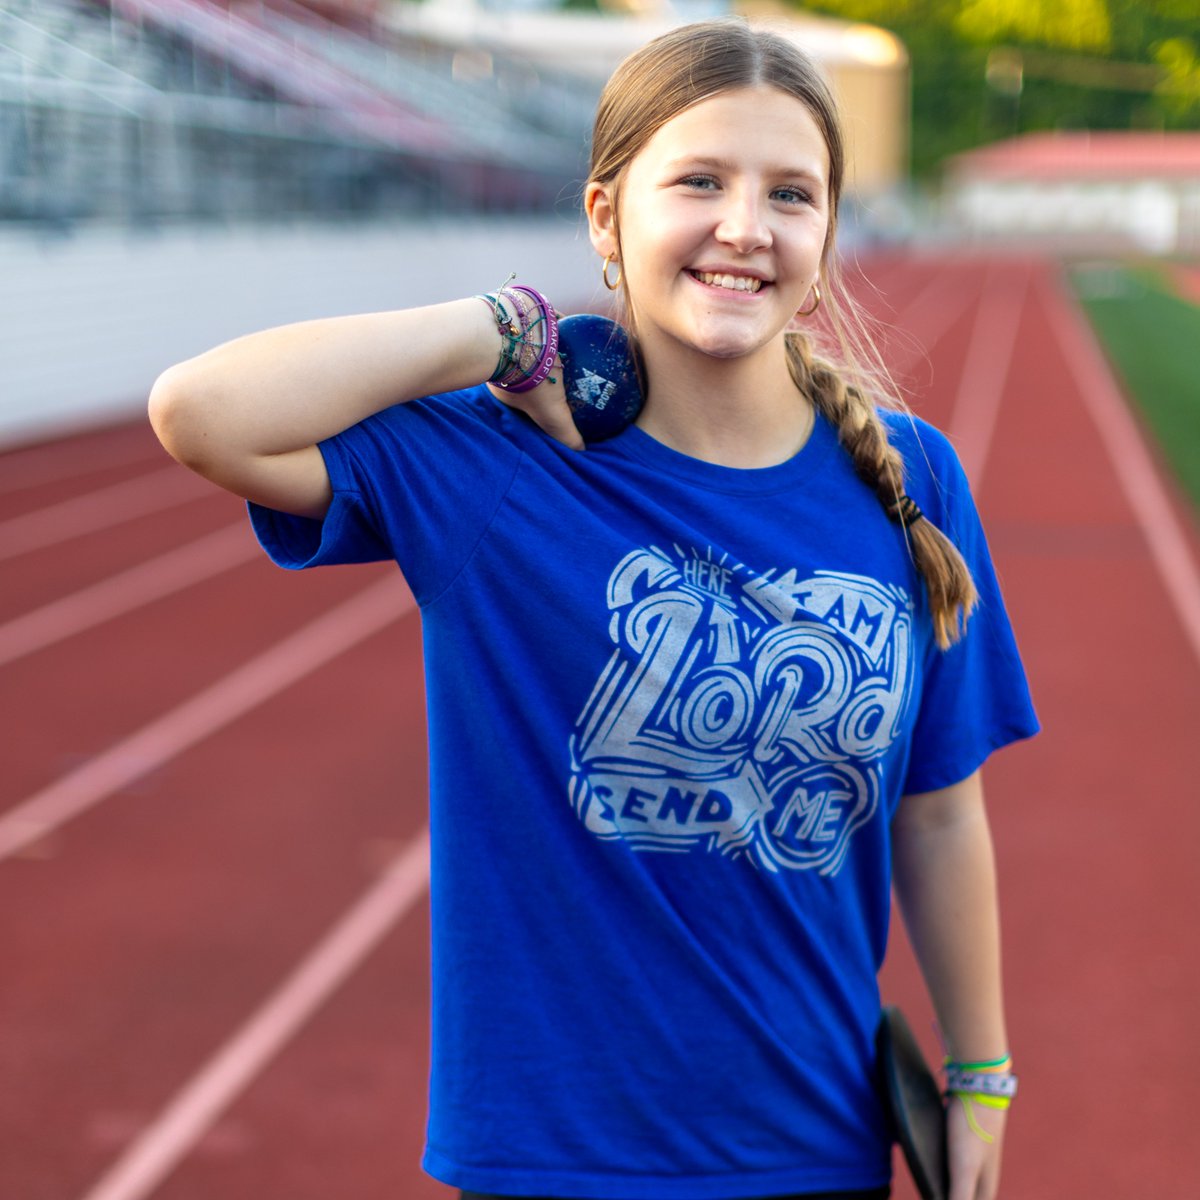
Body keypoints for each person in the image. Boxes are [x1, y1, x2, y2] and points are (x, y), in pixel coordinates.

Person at [149, 18, 1038, 1200]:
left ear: (826, 234)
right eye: (700, 181)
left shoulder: (914, 480)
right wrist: (502, 329)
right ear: (607, 216)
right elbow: (202, 412)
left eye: (791, 194)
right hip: (552, 1160)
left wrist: (980, 1073)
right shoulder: (495, 469)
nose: (744, 227)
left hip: (816, 1150)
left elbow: (938, 813)